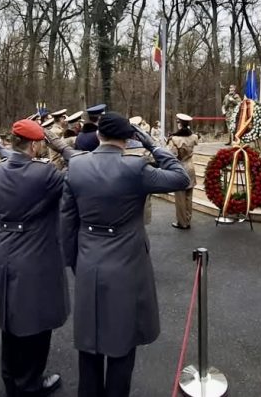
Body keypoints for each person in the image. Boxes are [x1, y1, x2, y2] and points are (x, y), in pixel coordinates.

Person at [60, 112, 190, 397]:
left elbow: (67, 222)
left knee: (89, 342)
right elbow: (181, 178)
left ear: (98, 136)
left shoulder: (77, 166)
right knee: (122, 341)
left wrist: (75, 262)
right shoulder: (135, 169)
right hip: (127, 263)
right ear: (129, 138)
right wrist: (154, 145)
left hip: (88, 260)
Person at [0, 119, 74, 397]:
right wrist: (59, 145)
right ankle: (30, 383)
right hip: (36, 252)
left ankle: (11, 376)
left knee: (11, 317)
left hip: (5, 248)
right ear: (36, 145)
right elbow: (81, 170)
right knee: (36, 321)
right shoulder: (44, 174)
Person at [166, 113, 199, 230]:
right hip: (190, 167)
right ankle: (188, 219)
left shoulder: (174, 139)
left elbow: (172, 155)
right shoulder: (194, 137)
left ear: (179, 124)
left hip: (180, 168)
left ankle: (182, 222)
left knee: (180, 197)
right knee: (189, 196)